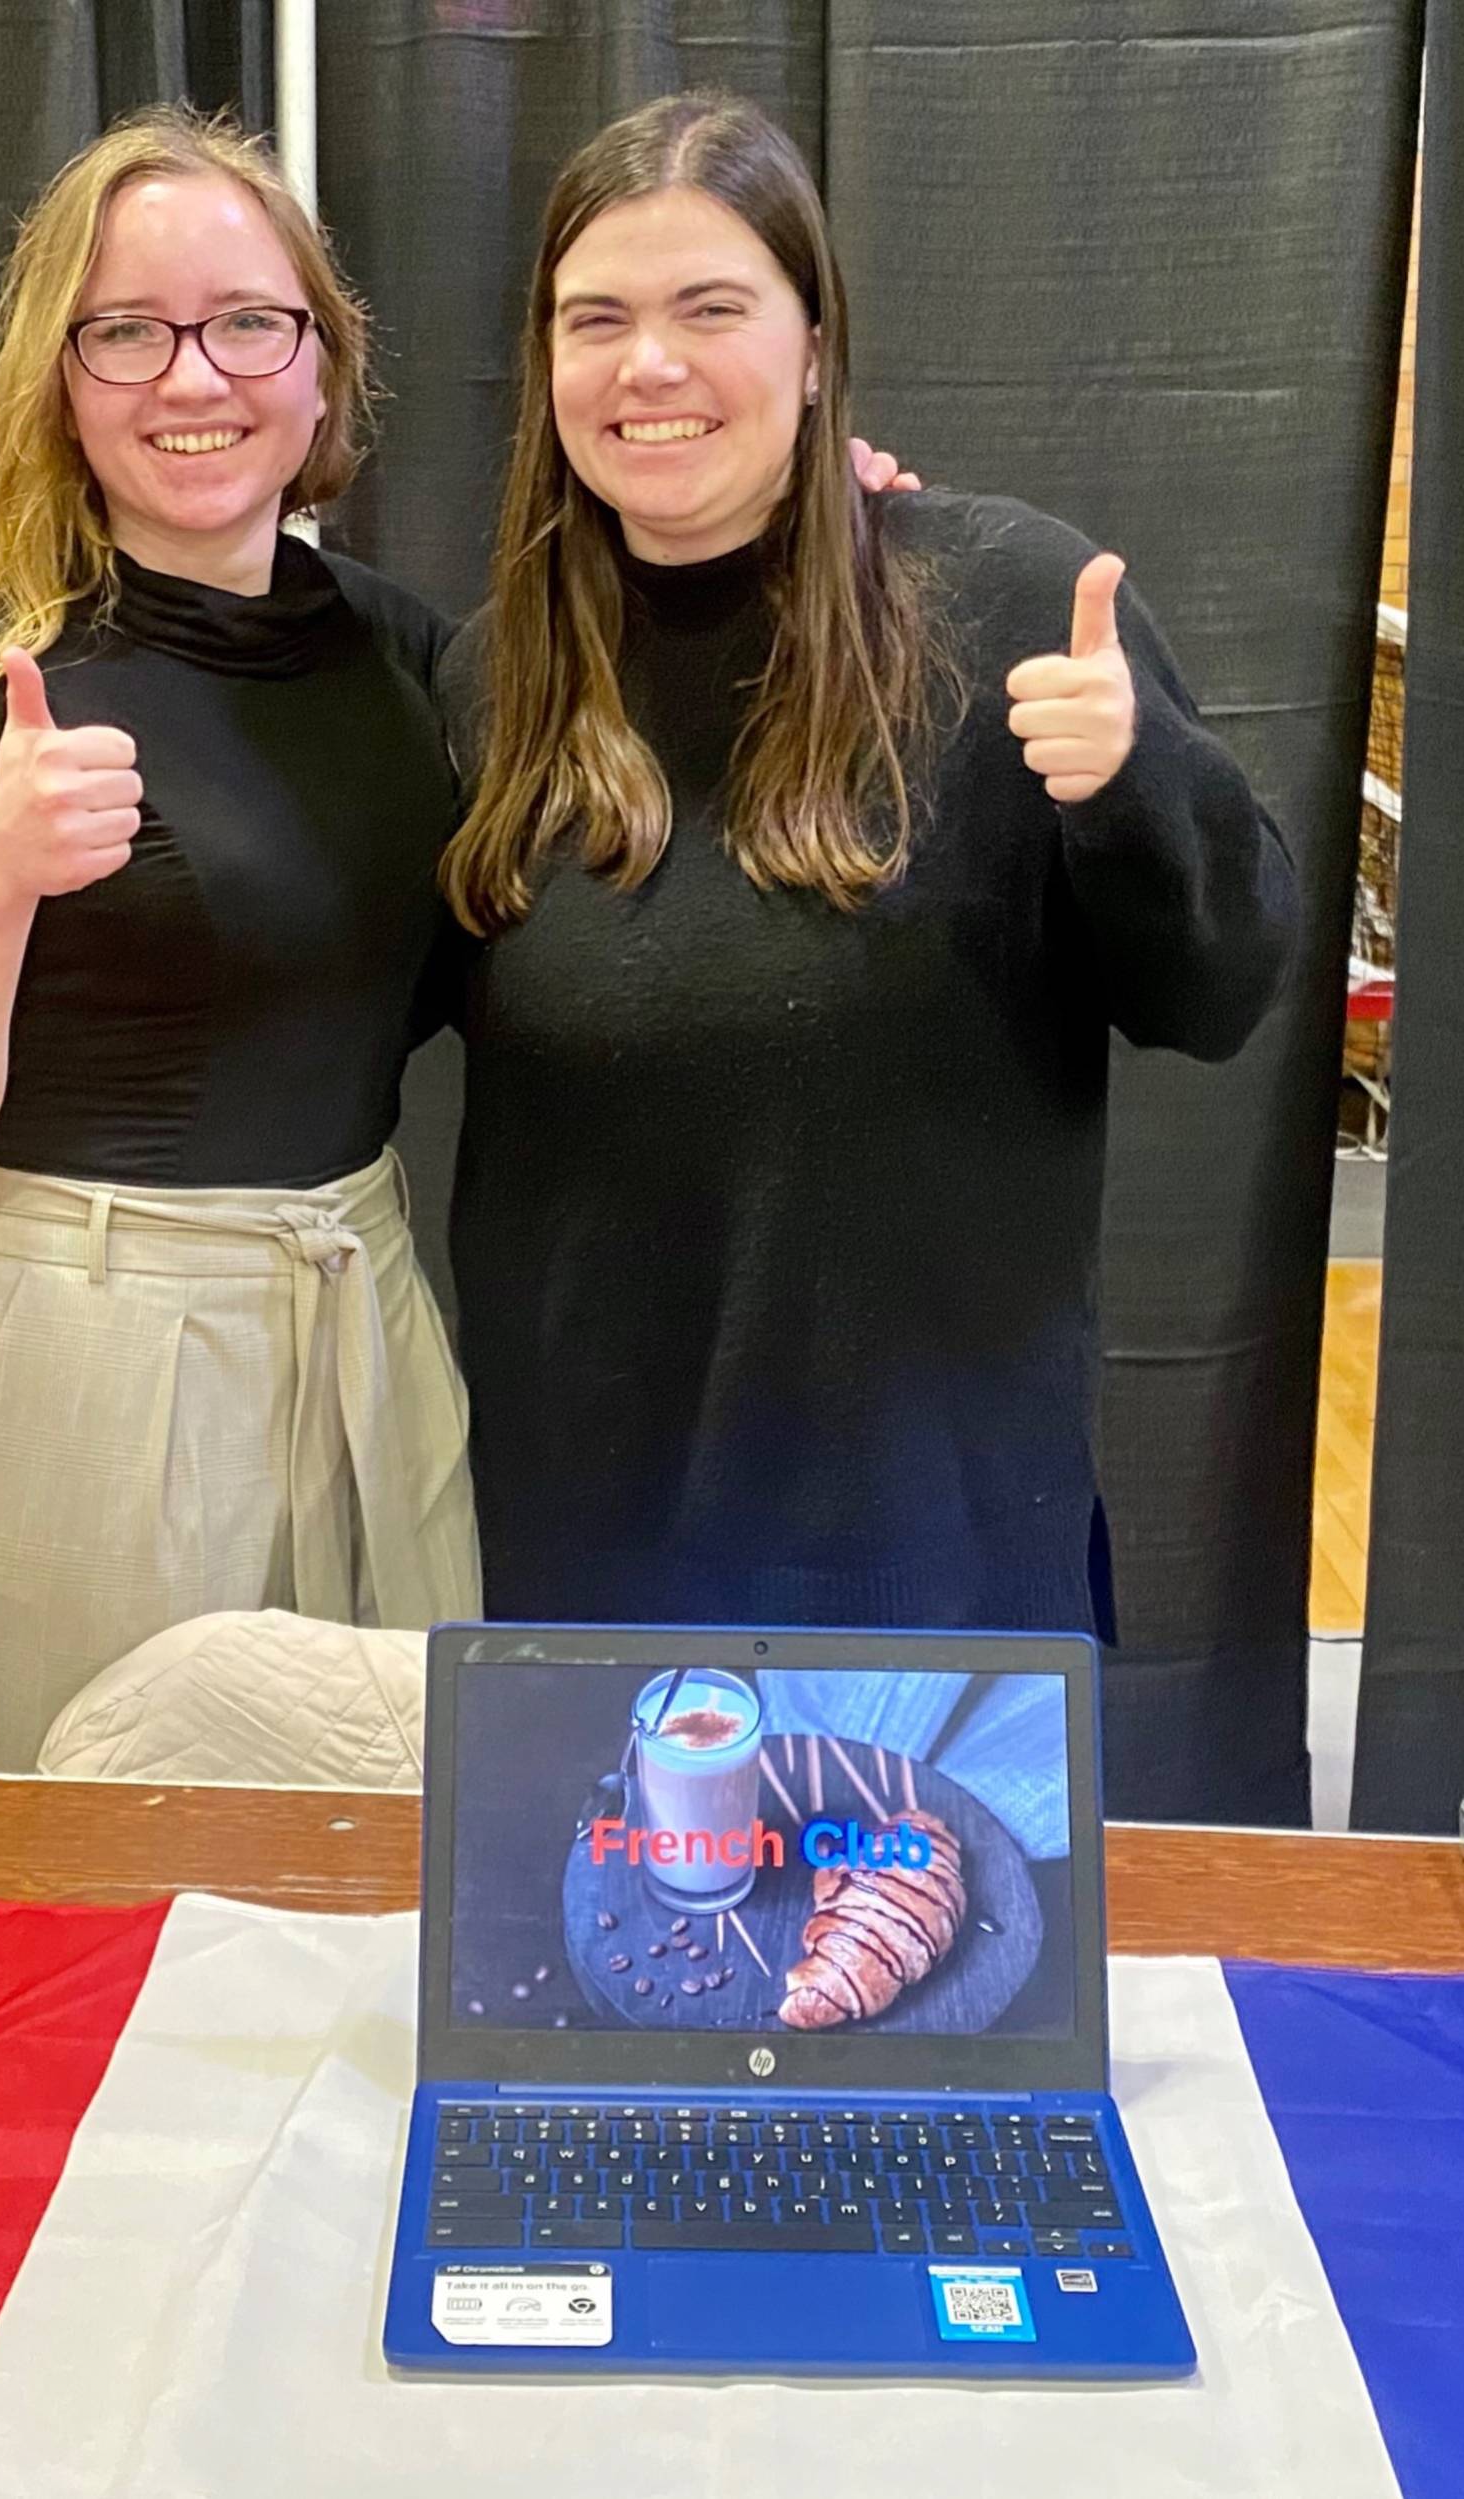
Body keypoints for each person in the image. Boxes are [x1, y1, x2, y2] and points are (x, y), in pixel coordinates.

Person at [437, 92, 1298, 1638]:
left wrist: (1135, 780)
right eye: (597, 318)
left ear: (815, 342)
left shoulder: (1010, 604)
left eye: (714, 309)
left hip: (938, 1570)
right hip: (591, 1570)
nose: (649, 364)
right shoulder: (493, 683)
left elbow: (1219, 989)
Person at [0, 109, 485, 1772]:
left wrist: (825, 528)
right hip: (87, 1361)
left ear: (321, 367)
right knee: (79, 1884)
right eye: (125, 333)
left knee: (376, 1866)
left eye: (244, 324)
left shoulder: (409, 665)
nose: (191, 378)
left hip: (357, 1314)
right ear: (60, 381)